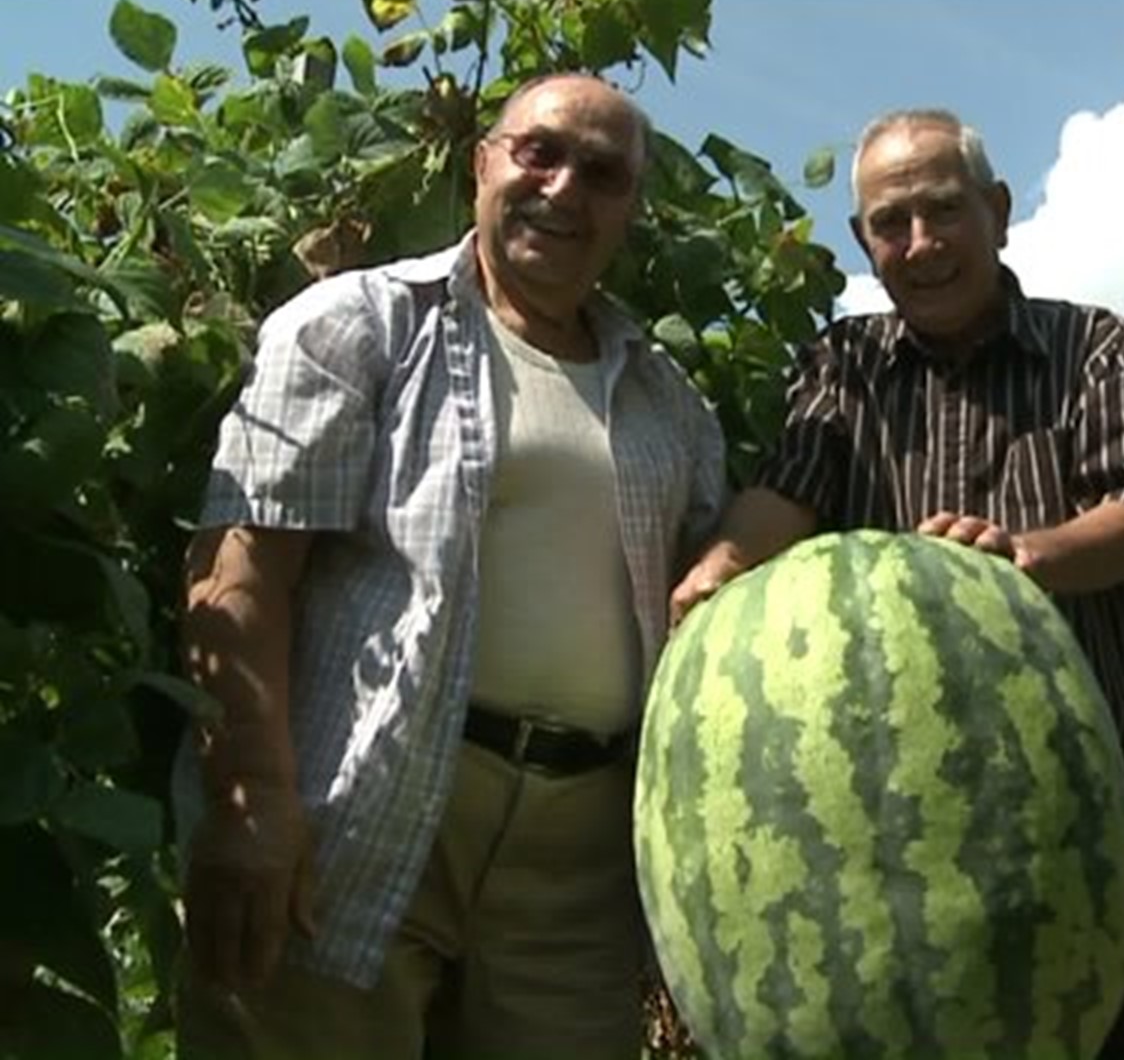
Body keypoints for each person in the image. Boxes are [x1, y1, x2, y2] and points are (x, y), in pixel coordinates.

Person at [174, 73, 726, 1060]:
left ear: (630, 208)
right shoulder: (359, 325)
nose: (564, 189)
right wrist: (251, 798)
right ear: (482, 164)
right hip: (366, 808)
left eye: (603, 174)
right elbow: (242, 565)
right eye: (539, 153)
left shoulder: (670, 404)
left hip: (580, 857)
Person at [670, 107, 1124, 1059]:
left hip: (1111, 830)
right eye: (892, 224)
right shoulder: (843, 367)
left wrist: (1022, 557)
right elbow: (786, 494)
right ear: (864, 242)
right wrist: (721, 566)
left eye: (943, 211)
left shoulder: (1101, 351)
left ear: (998, 211)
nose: (920, 244)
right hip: (907, 865)